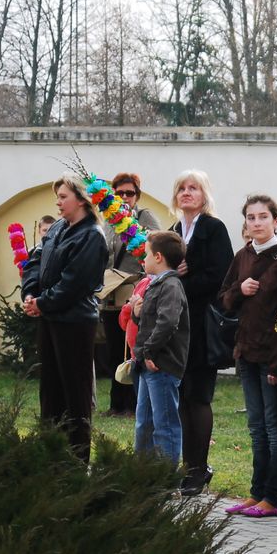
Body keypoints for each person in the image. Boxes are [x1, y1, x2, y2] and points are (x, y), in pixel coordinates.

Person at [22, 176, 109, 465]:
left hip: (75, 322)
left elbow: (75, 283)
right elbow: (35, 261)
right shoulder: (58, 227)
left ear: (81, 200)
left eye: (63, 197)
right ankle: (51, 453)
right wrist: (30, 293)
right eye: (57, 197)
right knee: (50, 390)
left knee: (75, 393)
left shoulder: (92, 236)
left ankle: (76, 460)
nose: (57, 202)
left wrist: (42, 303)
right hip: (50, 317)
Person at [218, 194, 277, 518]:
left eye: (263, 216)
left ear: (276, 221)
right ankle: (256, 492)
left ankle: (273, 497)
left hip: (272, 354)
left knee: (275, 427)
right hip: (246, 350)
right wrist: (240, 290)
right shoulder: (243, 255)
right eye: (251, 217)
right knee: (255, 426)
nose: (256, 223)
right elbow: (224, 299)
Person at [169, 170, 234, 495]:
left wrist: (184, 278)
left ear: (204, 194)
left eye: (193, 188)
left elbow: (221, 275)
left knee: (199, 396)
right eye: (182, 188)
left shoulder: (213, 228)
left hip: (203, 324)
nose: (187, 192)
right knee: (181, 396)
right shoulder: (174, 230)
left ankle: (199, 467)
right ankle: (188, 466)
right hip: (177, 326)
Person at [102, 173, 162, 416]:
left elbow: (155, 248)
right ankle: (116, 403)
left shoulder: (144, 216)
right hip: (111, 293)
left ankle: (134, 403)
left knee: (132, 348)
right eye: (120, 193)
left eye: (130, 193)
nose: (125, 197)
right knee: (114, 350)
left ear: (137, 195)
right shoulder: (107, 220)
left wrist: (133, 229)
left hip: (135, 292)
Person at [132, 231, 189, 469]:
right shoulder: (155, 284)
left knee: (164, 424)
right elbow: (150, 320)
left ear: (158, 257)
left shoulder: (171, 285)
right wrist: (136, 313)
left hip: (162, 364)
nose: (143, 259)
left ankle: (166, 476)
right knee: (144, 423)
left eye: (146, 254)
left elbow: (168, 322)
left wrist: (148, 351)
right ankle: (142, 473)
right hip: (148, 363)